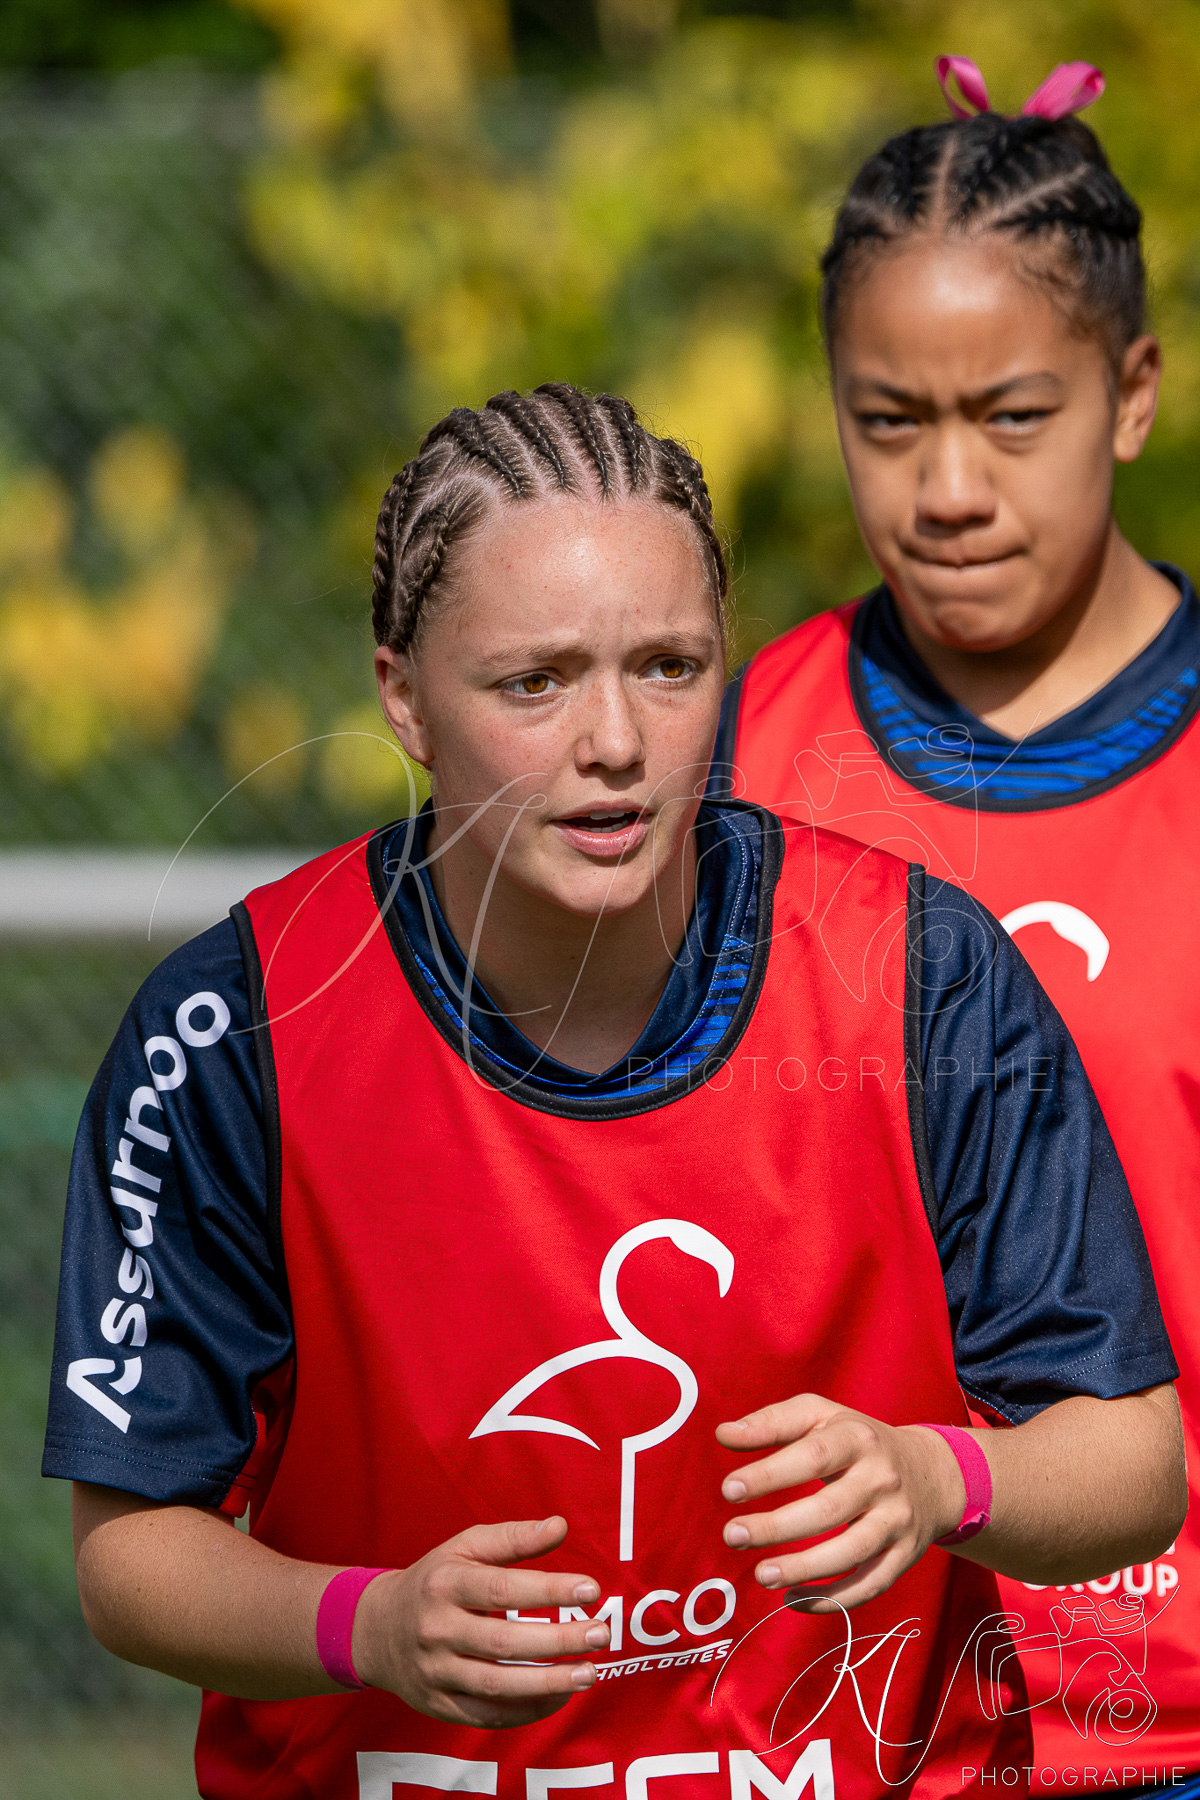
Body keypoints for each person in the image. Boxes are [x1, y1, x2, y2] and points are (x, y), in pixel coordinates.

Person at [44, 383, 1183, 1800]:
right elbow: (129, 1553)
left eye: (668, 665)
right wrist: (367, 1626)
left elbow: (1137, 1459)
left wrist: (943, 1479)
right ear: (400, 693)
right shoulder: (239, 1032)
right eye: (534, 682)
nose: (617, 743)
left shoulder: (919, 976)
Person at [708, 56, 1200, 1798]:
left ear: (1131, 394)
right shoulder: (731, 771)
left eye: (1011, 414)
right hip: (826, 1722)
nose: (948, 491)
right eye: (889, 421)